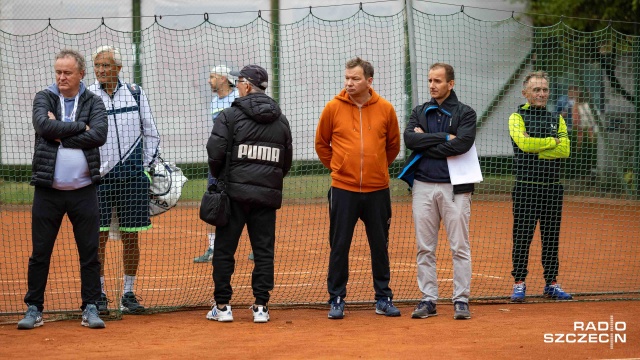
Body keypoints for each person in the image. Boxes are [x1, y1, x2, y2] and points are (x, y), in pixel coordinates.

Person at [18, 49, 108, 329]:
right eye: (58, 71)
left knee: (90, 252)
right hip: (49, 191)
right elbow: (42, 125)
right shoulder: (43, 96)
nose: (61, 77)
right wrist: (81, 127)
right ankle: (34, 308)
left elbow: (100, 135)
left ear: (81, 74)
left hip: (84, 191)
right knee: (40, 253)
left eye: (67, 72)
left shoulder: (94, 100)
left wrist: (61, 135)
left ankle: (91, 307)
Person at [315, 57, 401, 320]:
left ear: (369, 81)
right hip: (343, 189)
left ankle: (383, 298)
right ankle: (337, 298)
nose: (349, 83)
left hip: (377, 190)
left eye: (355, 79)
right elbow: (321, 144)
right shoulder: (333, 107)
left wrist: (376, 168)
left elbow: (393, 146)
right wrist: (340, 168)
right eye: (347, 78)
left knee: (380, 245)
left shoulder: (386, 108)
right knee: (339, 245)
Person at [205, 64, 292, 323]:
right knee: (264, 251)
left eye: (239, 82)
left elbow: (214, 154)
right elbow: (285, 162)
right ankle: (261, 307)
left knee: (224, 250)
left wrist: (224, 178)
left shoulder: (229, 116)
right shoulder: (281, 119)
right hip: (266, 197)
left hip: (233, 194)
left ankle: (222, 307)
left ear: (245, 85)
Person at [398, 62, 476, 320]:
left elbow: (463, 144)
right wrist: (445, 138)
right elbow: (410, 139)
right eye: (430, 80)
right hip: (423, 185)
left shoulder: (466, 113)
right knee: (424, 247)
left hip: (456, 189)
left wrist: (427, 142)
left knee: (459, 247)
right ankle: (428, 299)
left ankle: (461, 300)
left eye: (438, 81)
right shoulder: (420, 110)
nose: (432, 85)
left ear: (450, 84)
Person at [88, 45, 161, 314]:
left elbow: (151, 132)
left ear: (118, 68)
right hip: (99, 181)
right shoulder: (88, 96)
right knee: (98, 238)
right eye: (97, 66)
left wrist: (143, 167)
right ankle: (100, 295)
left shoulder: (135, 93)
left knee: (132, 238)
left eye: (106, 65)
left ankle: (128, 294)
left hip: (133, 179)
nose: (100, 71)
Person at [509, 71, 572, 302]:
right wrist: (551, 143)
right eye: (536, 89)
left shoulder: (558, 118)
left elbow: (565, 150)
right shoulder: (516, 118)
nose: (541, 94)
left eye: (545, 89)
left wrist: (540, 149)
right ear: (525, 92)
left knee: (551, 237)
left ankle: (551, 283)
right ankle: (519, 283)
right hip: (526, 187)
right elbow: (524, 145)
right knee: (522, 237)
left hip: (553, 188)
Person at [193, 65, 239, 263]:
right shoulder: (213, 102)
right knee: (212, 200)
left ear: (224, 79)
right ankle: (212, 248)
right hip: (218, 159)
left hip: (238, 160)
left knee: (245, 202)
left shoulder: (238, 97)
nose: (209, 80)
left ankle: (256, 246)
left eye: (213, 77)